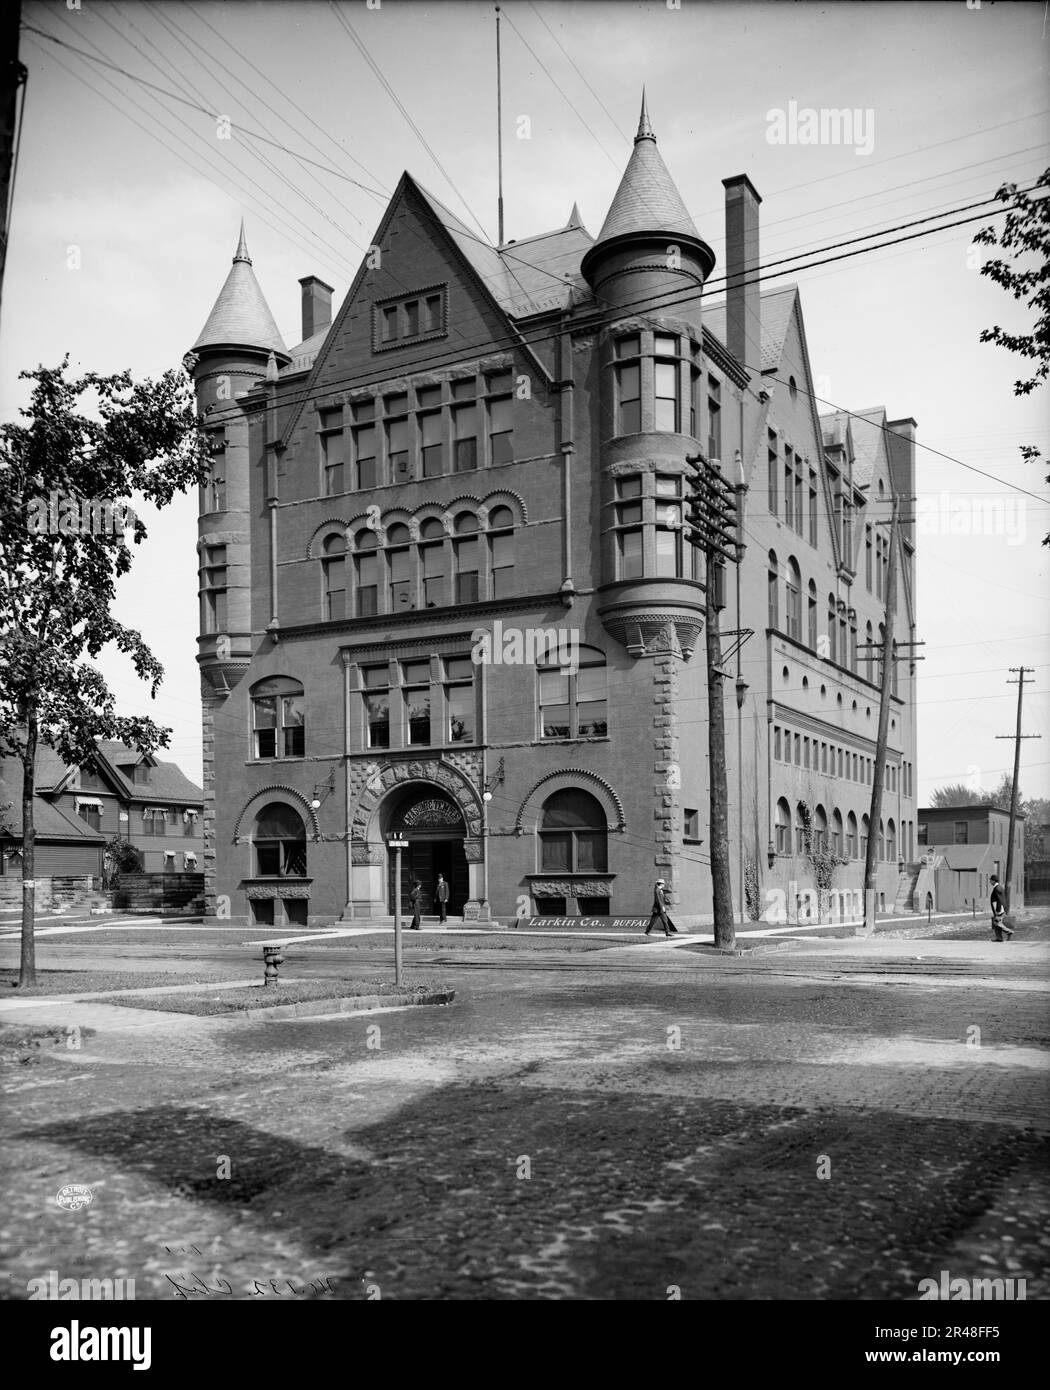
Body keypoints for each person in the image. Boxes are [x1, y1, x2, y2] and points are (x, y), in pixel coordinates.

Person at [990, 875, 1013, 940]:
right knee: (996, 923)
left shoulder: (997, 888)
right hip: (998, 908)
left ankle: (1009, 932)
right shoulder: (998, 887)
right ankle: (999, 937)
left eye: (991, 880)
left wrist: (997, 910)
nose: (990, 881)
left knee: (997, 922)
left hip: (998, 909)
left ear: (994, 881)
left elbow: (999, 899)